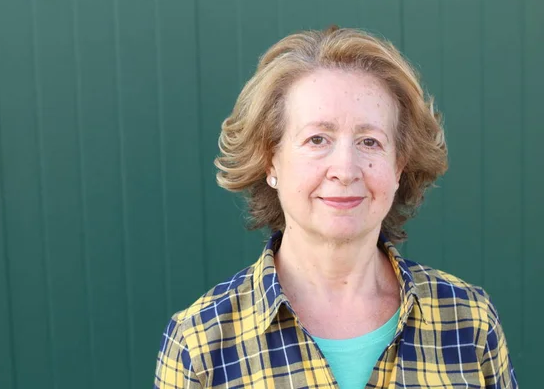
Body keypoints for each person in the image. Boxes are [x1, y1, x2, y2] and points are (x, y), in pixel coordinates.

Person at [154, 27, 517, 388]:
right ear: (270, 161)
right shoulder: (199, 343)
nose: (345, 170)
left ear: (399, 165)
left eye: (370, 141)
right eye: (317, 139)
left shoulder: (469, 322)